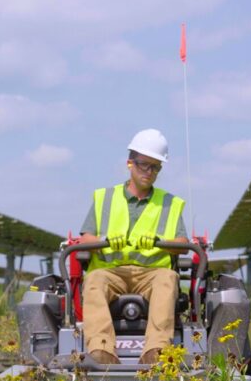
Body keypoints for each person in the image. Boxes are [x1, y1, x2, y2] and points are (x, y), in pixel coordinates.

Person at [78, 129, 188, 365]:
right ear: (130, 163)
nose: (148, 172)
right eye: (143, 165)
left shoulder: (169, 204)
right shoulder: (104, 198)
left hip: (151, 275)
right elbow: (85, 239)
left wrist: (160, 242)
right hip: (110, 272)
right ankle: (102, 352)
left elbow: (182, 244)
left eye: (155, 167)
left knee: (168, 278)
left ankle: (156, 352)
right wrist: (104, 239)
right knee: (93, 281)